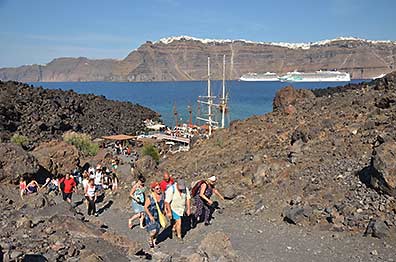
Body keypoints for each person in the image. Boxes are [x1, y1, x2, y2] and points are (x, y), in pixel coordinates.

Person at [144, 182, 165, 249]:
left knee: (157, 230)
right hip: (152, 215)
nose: (159, 190)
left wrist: (164, 211)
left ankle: (154, 242)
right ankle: (150, 239)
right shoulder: (150, 197)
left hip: (159, 215)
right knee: (153, 231)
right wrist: (150, 216)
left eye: (159, 188)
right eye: (157, 189)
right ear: (153, 189)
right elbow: (145, 207)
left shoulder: (162, 195)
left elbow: (163, 204)